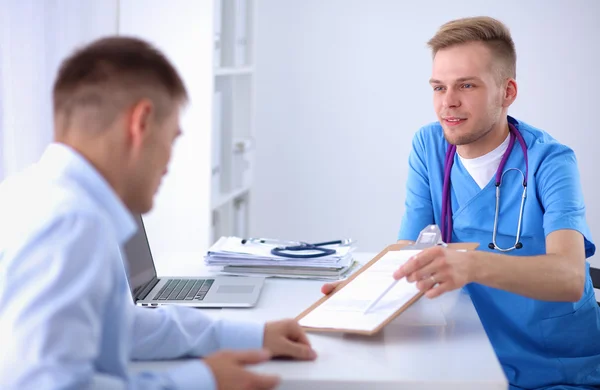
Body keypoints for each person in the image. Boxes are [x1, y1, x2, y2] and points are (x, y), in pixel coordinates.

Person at [0, 37, 317, 390]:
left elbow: (123, 326)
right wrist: (200, 381)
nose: (169, 161)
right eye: (173, 138)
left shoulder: (33, 194)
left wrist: (251, 335)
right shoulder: (73, 223)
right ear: (142, 122)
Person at [323, 16, 600, 389]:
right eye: (439, 87)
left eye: (466, 85)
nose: (447, 103)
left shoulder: (551, 161)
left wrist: (468, 265)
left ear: (507, 92)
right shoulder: (430, 146)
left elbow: (568, 278)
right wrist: (359, 292)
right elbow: (409, 252)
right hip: (470, 354)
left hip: (556, 366)